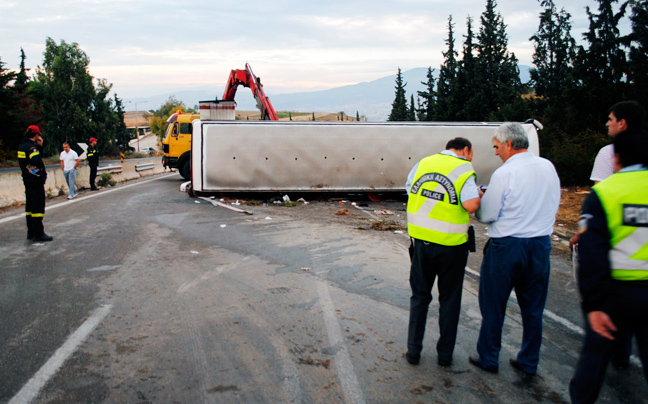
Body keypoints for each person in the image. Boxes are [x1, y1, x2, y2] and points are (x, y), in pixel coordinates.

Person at [469, 122, 560, 375]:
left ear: (509, 144)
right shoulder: (548, 167)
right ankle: (529, 361)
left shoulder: (504, 173)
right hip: (540, 245)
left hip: (507, 247)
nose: (495, 152)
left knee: (493, 304)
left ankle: (489, 357)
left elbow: (487, 214)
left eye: (496, 147)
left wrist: (480, 199)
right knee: (533, 309)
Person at [569, 130, 648, 404]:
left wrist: (593, 304)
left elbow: (592, 252)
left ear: (616, 158)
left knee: (593, 360)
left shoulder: (605, 192)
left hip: (616, 292)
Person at [404, 137, 481, 367]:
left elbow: (410, 190)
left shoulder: (423, 163)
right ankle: (445, 356)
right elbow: (471, 205)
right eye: (471, 153)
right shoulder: (464, 168)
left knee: (419, 297)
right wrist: (479, 195)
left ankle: (413, 351)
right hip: (451, 248)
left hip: (421, 244)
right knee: (449, 299)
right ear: (465, 150)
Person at [17, 125, 53, 242]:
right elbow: (36, 161)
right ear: (36, 135)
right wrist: (42, 174)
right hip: (35, 180)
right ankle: (39, 233)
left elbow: (25, 164)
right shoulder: (32, 148)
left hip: (27, 179)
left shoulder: (22, 146)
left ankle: (31, 232)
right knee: (37, 206)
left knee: (30, 206)